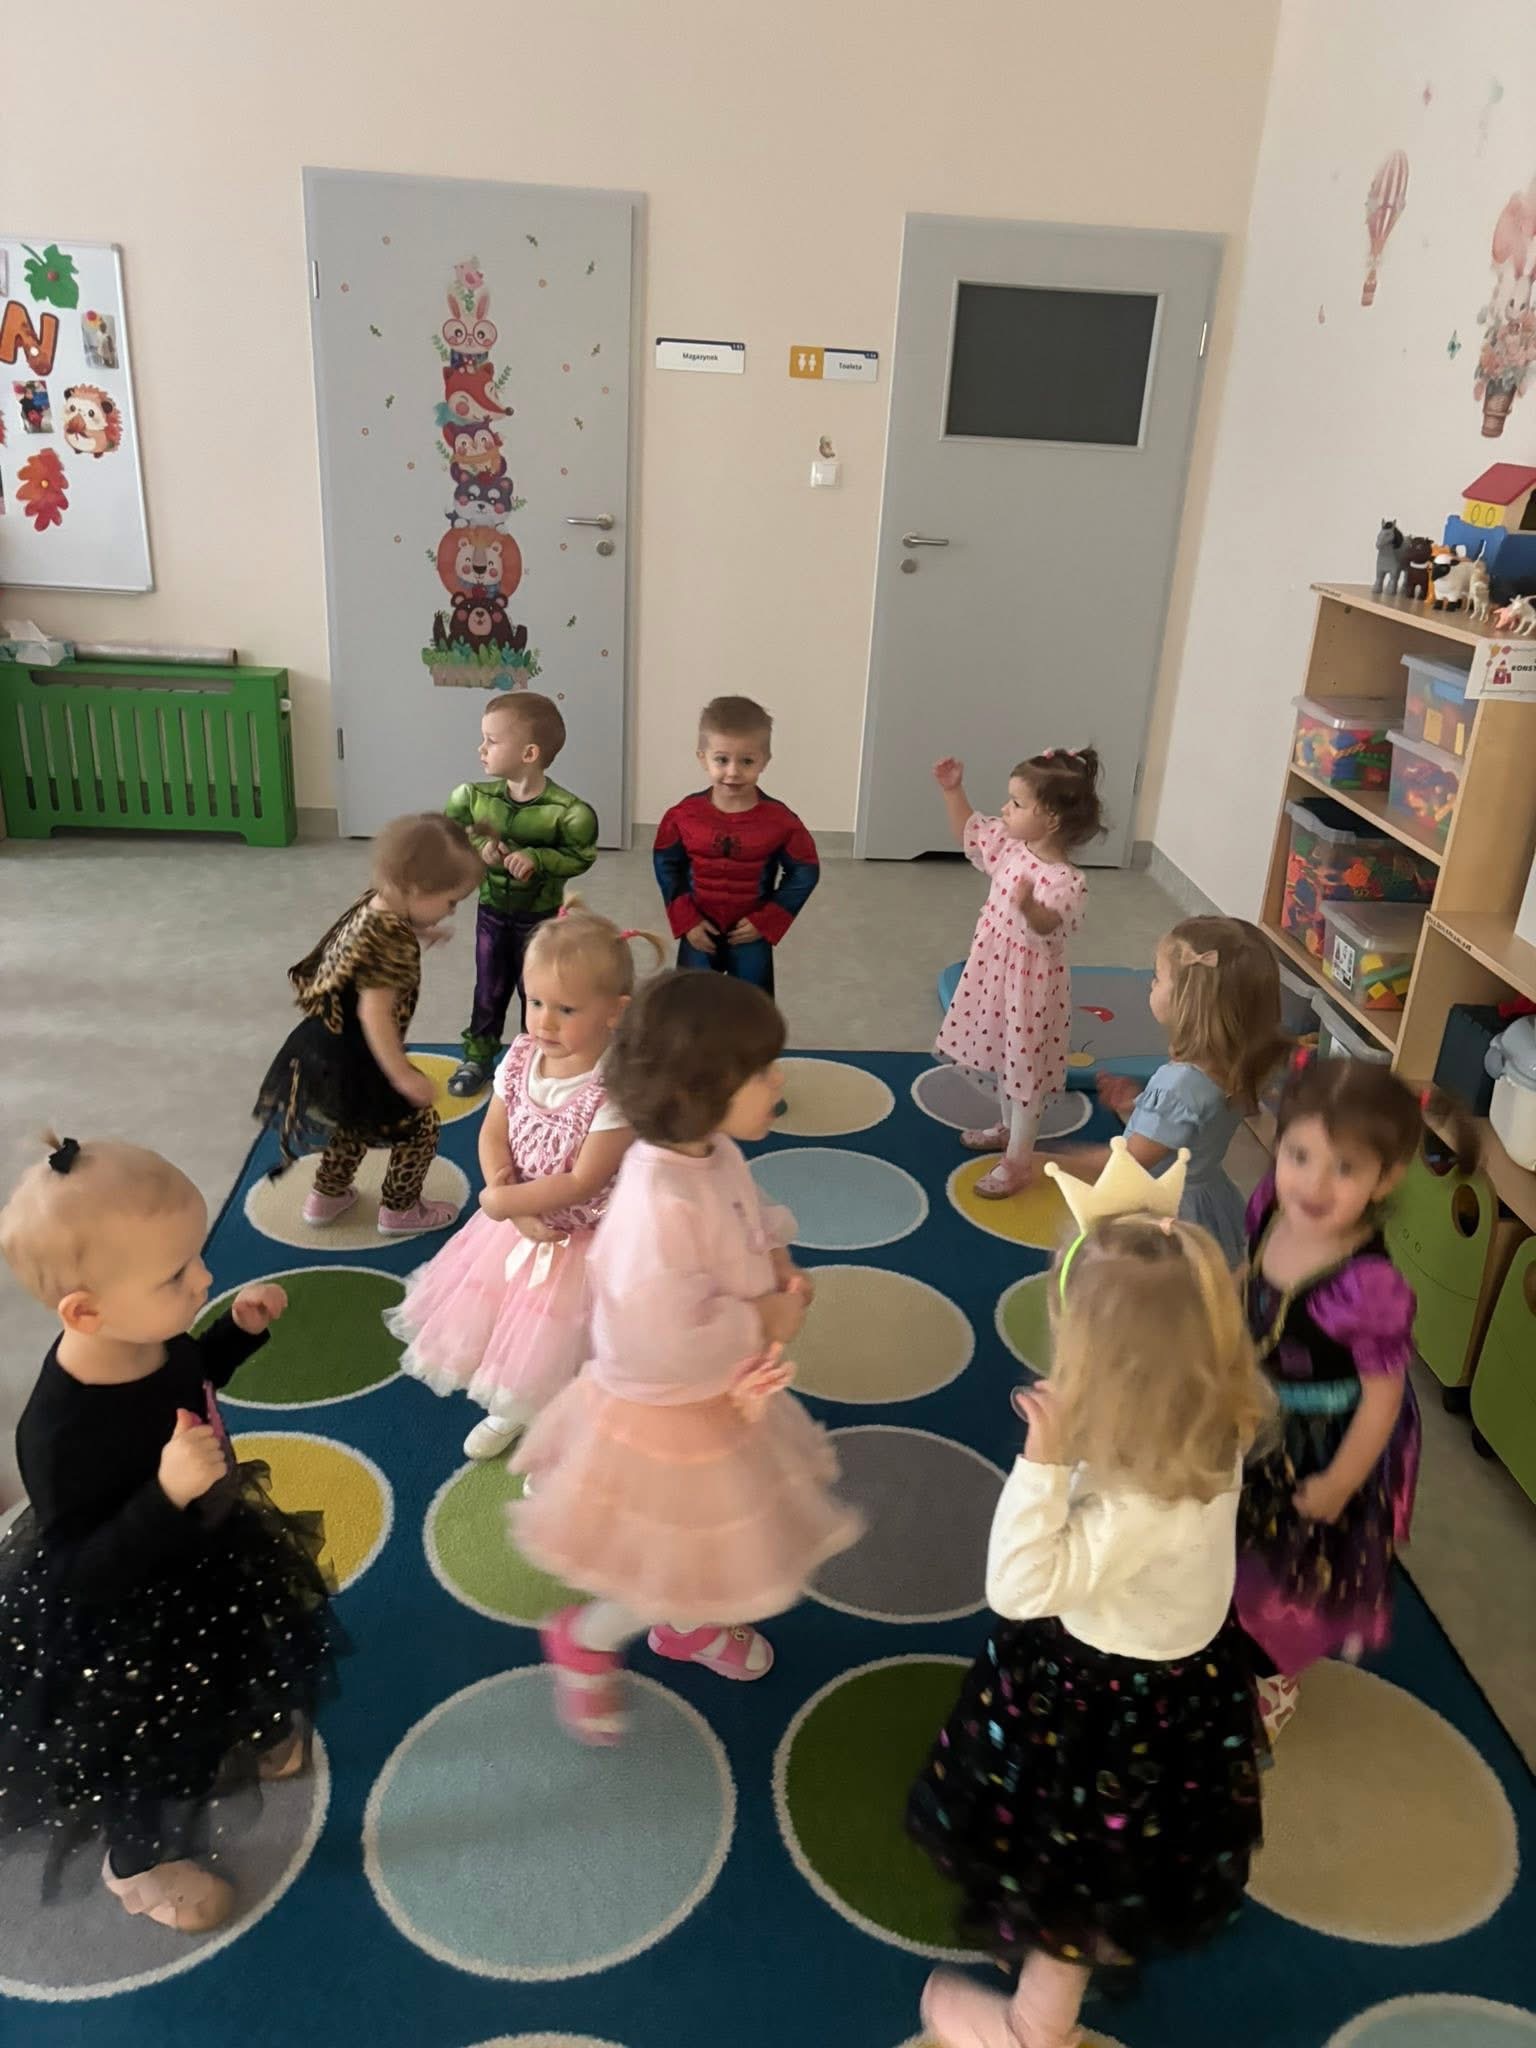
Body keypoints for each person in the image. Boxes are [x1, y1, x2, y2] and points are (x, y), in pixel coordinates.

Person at [908, 1149, 1273, 2048]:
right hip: (1175, 1684)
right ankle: (1081, 1944)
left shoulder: (1140, 1497)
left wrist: (1042, 1464)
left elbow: (1020, 1584)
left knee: (1075, 1866)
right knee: (1116, 1853)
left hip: (1104, 1706)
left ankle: (1034, 2025)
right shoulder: (1204, 1424)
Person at [0, 1136, 340, 1933]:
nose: (205, 1280)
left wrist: (236, 1336)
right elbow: (78, 1572)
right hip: (130, 1619)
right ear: (85, 1311)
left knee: (248, 1649)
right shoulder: (59, 1433)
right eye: (177, 1275)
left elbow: (190, 1374)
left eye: (195, 1260)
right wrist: (163, 1495)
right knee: (152, 1753)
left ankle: (253, 1726)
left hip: (208, 1550)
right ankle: (138, 1867)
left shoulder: (147, 1333)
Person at [511, 971, 862, 1744]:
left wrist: (776, 1261)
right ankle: (588, 1637)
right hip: (668, 1413)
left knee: (707, 1543)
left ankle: (686, 1623)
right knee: (669, 1554)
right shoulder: (655, 1205)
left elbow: (749, 1212)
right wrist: (766, 1318)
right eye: (761, 1071)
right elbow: (662, 1339)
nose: (779, 1081)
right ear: (699, 1093)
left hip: (719, 1390)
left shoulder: (712, 1150)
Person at [1237, 1059, 1476, 1736]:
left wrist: (1341, 1482)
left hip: (1324, 1442)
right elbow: (1249, 1273)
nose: (1313, 1184)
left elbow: (1382, 1401)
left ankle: (1273, 1677)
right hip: (1256, 1408)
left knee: (1289, 1571)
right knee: (1231, 1537)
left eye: (1344, 1168)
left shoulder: (1368, 1287)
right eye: (1300, 1155)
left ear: (1386, 1179)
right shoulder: (1271, 1204)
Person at [389, 897, 663, 1460]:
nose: (543, 1021)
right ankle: (516, 1405)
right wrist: (504, 1195)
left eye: (565, 1009)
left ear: (615, 1012)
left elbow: (583, 1180)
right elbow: (495, 1130)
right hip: (520, 1217)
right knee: (523, 1324)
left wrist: (505, 1201)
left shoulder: (614, 1089)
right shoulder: (520, 1057)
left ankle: (582, 1419)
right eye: (534, 1002)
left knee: (581, 1333)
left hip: (590, 1239)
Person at [253, 813, 481, 1237]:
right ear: (416, 889)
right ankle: (400, 1208)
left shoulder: (375, 905)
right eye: (451, 901)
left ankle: (327, 1195)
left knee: (352, 1122)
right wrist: (402, 1076)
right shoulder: (391, 941)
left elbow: (367, 945)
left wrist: (420, 930)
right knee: (419, 1129)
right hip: (362, 1056)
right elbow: (373, 1012)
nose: (452, 910)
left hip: (323, 1043)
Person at [1044, 917, 1289, 1266]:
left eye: (1158, 977)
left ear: (1190, 1004)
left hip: (1166, 1205)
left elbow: (1128, 1165)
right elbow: (1190, 1129)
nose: (1151, 983)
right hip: (1206, 1193)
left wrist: (1056, 1164)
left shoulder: (1180, 1085)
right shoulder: (1233, 1063)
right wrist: (1138, 1107)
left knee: (1159, 1281)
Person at [933, 746, 1104, 1198]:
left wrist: (1028, 906)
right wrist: (953, 790)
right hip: (994, 972)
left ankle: (1018, 1162)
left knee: (1024, 1068)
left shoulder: (1066, 880)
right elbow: (970, 832)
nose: (1005, 810)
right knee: (1003, 1056)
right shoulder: (1011, 846)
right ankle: (1008, 1130)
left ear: (1051, 819)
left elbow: (1047, 925)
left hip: (1030, 986)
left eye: (1017, 803)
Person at [444, 692, 600, 1097]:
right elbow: (453, 831)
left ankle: (533, 1059)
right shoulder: (473, 797)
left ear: (529, 753)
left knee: (538, 993)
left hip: (542, 920)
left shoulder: (569, 812)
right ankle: (478, 1056)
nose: (481, 749)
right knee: (488, 988)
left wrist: (539, 858)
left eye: (492, 741)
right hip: (492, 912)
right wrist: (481, 847)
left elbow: (581, 855)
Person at [652, 694, 820, 995]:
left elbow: (805, 871)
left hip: (750, 932)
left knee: (754, 1006)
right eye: (722, 759)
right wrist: (686, 919)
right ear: (702, 757)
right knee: (690, 1003)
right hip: (699, 930)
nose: (733, 771)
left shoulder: (781, 821)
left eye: (747, 761)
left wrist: (766, 920)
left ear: (765, 760)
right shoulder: (681, 816)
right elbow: (666, 864)